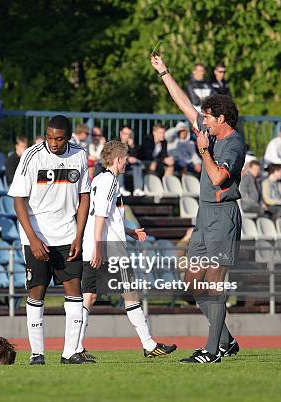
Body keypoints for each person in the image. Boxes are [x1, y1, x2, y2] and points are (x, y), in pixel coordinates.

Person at [151, 53, 245, 363]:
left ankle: (212, 350)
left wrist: (204, 152)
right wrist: (164, 73)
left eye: (206, 117)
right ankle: (226, 339)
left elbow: (219, 177)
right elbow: (183, 104)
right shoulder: (210, 130)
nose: (201, 121)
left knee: (215, 283)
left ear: (221, 118)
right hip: (204, 216)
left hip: (223, 216)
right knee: (192, 281)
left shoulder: (233, 143)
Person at [78, 140, 177, 359]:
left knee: (89, 297)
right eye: (125, 159)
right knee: (131, 294)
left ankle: (76, 347)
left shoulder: (98, 180)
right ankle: (149, 345)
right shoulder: (111, 181)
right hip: (108, 248)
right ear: (118, 159)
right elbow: (102, 216)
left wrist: (130, 231)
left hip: (95, 244)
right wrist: (99, 247)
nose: (126, 163)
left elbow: (105, 216)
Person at [8, 115, 91, 365]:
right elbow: (18, 199)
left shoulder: (79, 155)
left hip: (67, 235)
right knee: (37, 291)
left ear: (68, 137)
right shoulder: (31, 156)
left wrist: (79, 234)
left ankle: (70, 352)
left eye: (59, 138)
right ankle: (37, 353)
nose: (54, 143)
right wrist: (33, 239)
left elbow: (84, 195)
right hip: (38, 236)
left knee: (75, 291)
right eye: (50, 137)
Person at [117, 125, 143, 196]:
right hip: (118, 165)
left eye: (129, 134)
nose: (127, 136)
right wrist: (127, 158)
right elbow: (116, 155)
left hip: (129, 166)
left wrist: (132, 147)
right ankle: (120, 188)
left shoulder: (132, 144)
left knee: (137, 163)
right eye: (125, 134)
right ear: (121, 133)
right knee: (121, 162)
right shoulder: (116, 143)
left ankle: (137, 189)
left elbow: (137, 156)